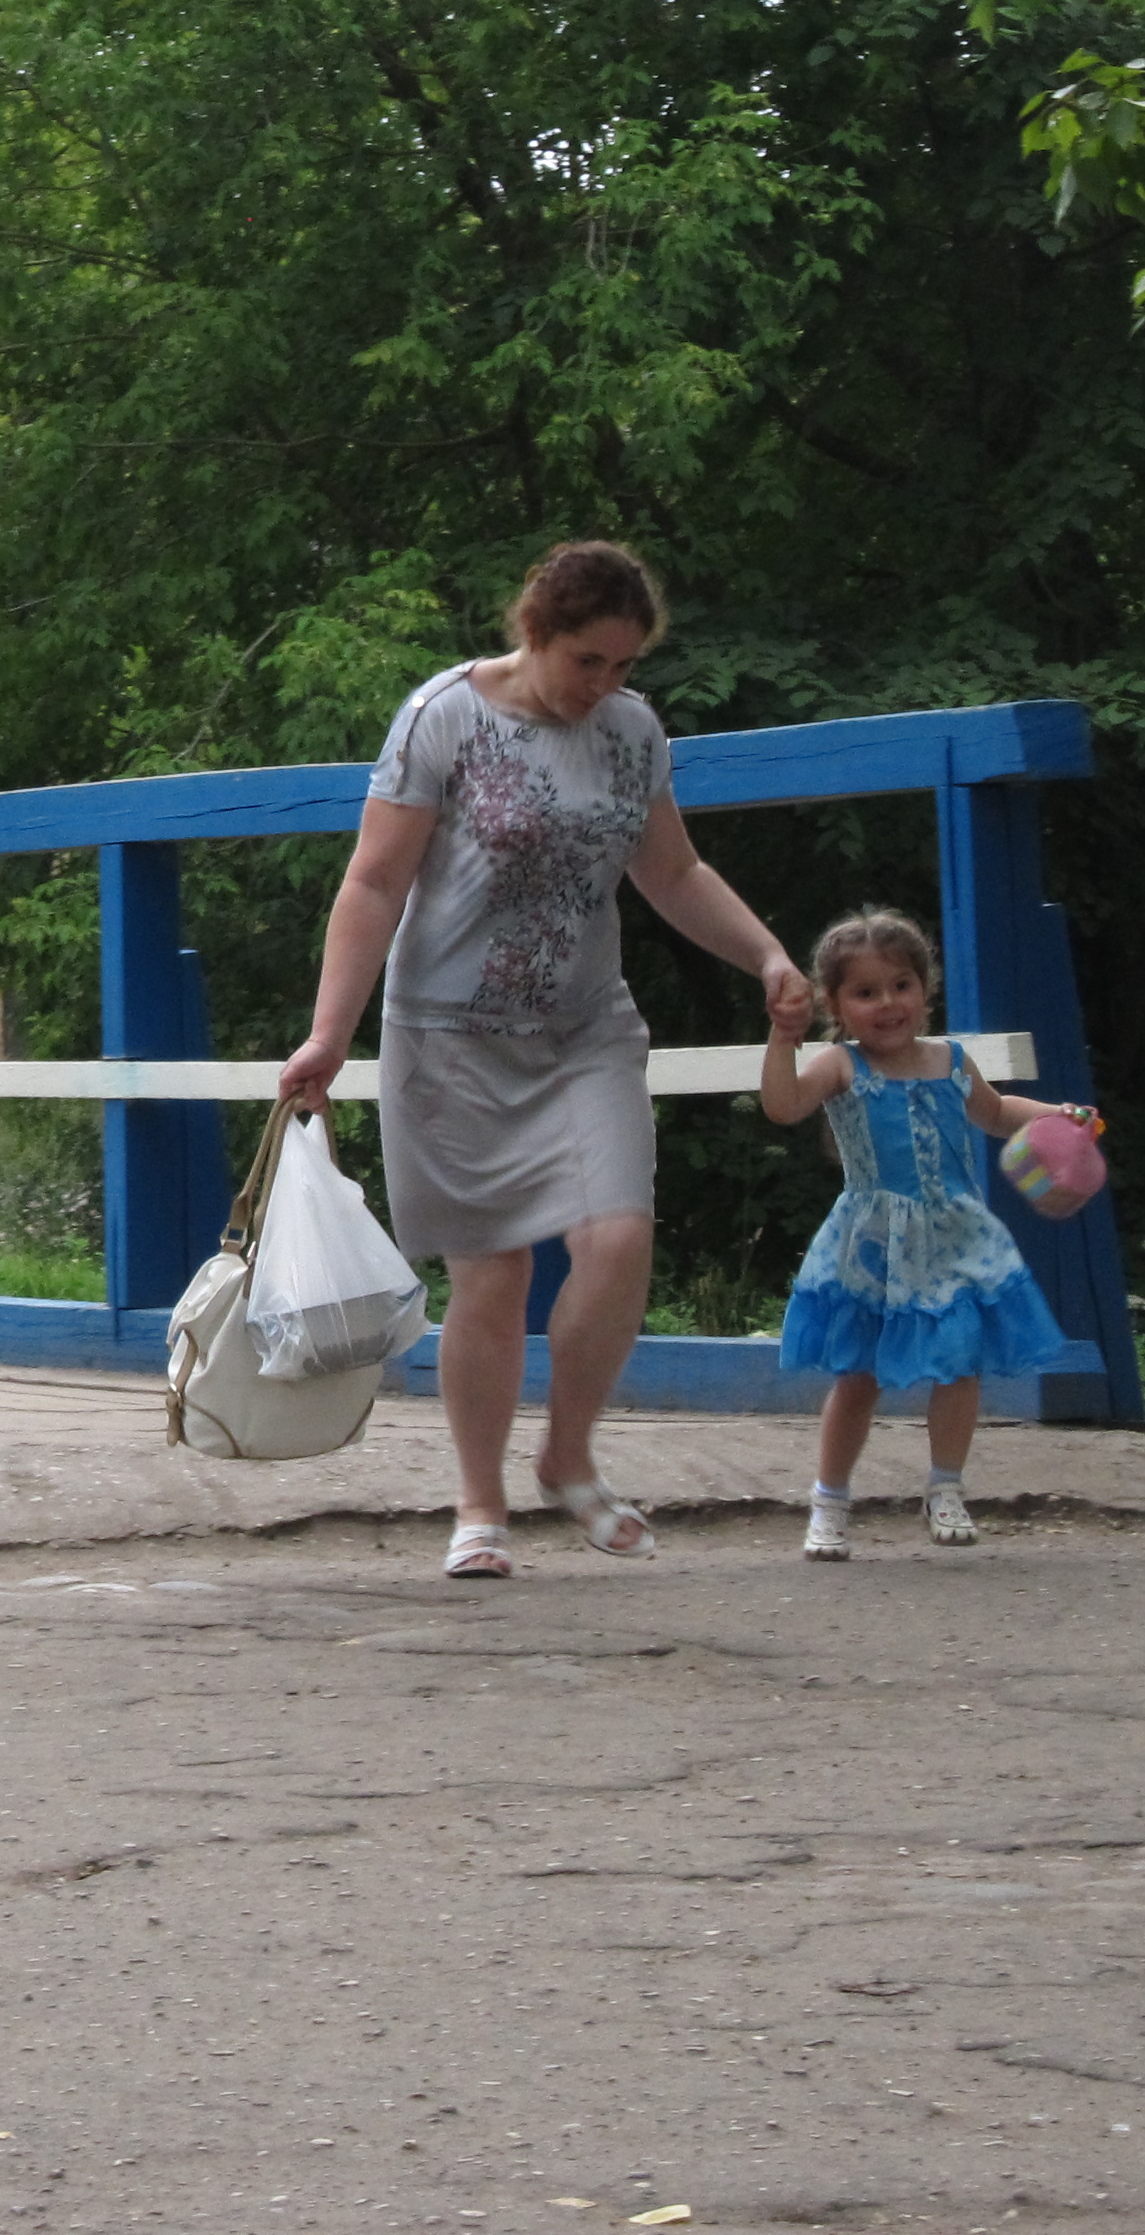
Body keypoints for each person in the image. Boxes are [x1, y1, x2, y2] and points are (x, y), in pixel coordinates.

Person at [278, 540, 813, 1578]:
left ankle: (566, 1452)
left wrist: (765, 953)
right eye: (587, 662)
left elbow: (671, 869)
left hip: (583, 1029)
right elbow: (375, 882)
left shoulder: (630, 734)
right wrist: (328, 1032)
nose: (604, 685)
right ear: (536, 632)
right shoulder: (445, 716)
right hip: (451, 1035)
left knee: (616, 1239)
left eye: (623, 665)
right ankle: (478, 1504)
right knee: (494, 1276)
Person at [761, 908, 1080, 1558]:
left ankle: (945, 1488)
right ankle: (829, 1501)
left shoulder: (950, 1061)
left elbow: (995, 1114)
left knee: (959, 1364)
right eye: (866, 992)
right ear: (836, 1005)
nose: (887, 1003)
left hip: (955, 1237)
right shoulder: (840, 1067)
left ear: (924, 989)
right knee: (858, 1376)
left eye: (901, 985)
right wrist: (781, 1039)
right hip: (875, 1244)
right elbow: (782, 1104)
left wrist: (1057, 1115)